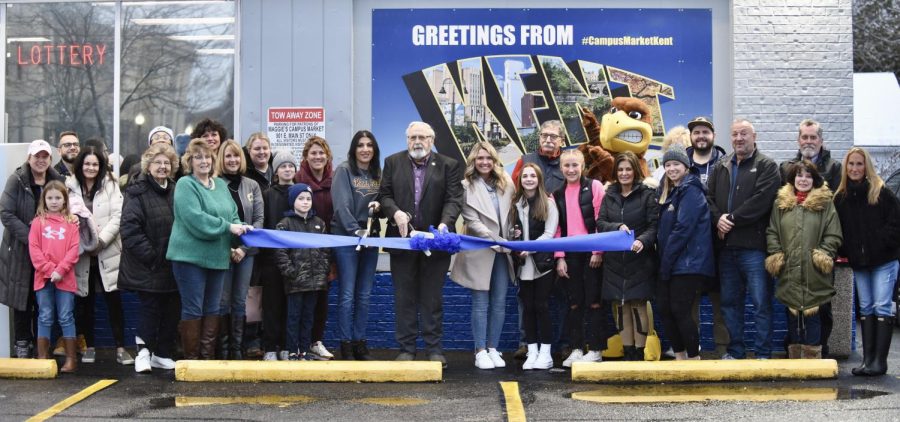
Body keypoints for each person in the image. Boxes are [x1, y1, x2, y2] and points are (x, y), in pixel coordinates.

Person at [378, 121, 463, 367]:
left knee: (432, 298)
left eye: (423, 137)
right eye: (413, 137)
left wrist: (446, 224)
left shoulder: (448, 165)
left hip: (436, 244)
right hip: (402, 243)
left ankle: (434, 349)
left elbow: (454, 199)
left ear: (432, 140)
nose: (417, 141)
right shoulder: (392, 162)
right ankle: (406, 348)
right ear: (406, 140)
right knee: (404, 297)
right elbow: (384, 195)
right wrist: (395, 213)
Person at [166, 139, 251, 360]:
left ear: (213, 161)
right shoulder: (186, 185)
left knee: (213, 308)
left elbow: (232, 214)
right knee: (193, 309)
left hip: (218, 257)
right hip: (189, 258)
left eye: (207, 157)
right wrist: (229, 227)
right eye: (198, 157)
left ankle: (206, 359)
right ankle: (192, 360)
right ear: (190, 161)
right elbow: (196, 219)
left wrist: (239, 231)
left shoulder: (220, 185)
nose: (203, 161)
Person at [706, 119, 781, 360]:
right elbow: (707, 198)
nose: (739, 138)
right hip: (726, 249)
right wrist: (718, 219)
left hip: (754, 248)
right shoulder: (721, 166)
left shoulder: (767, 166)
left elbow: (762, 200)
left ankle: (762, 353)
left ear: (754, 136)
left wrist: (731, 219)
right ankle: (735, 351)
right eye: (735, 134)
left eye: (744, 134)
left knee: (760, 303)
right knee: (729, 303)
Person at [777, 119, 843, 356]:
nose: (808, 141)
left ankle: (819, 352)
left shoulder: (835, 168)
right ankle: (794, 354)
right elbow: (777, 217)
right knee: (792, 308)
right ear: (798, 140)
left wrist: (825, 251)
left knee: (820, 309)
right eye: (804, 137)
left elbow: (836, 213)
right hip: (793, 256)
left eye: (813, 137)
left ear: (821, 141)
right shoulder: (786, 168)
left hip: (818, 254)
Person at [765, 160, 842, 359]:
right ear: (793, 178)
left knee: (813, 317)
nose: (804, 180)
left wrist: (822, 255)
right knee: (792, 317)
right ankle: (795, 360)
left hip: (813, 272)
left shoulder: (825, 203)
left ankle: (812, 361)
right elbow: (772, 231)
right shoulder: (781, 203)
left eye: (808, 176)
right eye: (800, 175)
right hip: (789, 270)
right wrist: (776, 254)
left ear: (815, 179)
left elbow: (833, 234)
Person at [833, 147, 900, 376]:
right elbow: (839, 230)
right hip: (859, 263)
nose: (855, 168)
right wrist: (846, 250)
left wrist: (879, 244)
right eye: (851, 164)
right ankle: (867, 361)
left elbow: (895, 225)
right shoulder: (840, 197)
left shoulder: (881, 192)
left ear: (867, 166)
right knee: (866, 307)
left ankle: (879, 363)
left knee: (882, 306)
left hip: (884, 260)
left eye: (859, 164)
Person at [64, 147, 133, 365]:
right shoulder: (69, 187)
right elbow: (64, 215)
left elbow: (118, 216)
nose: (91, 168)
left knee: (114, 301)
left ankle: (121, 348)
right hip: (81, 254)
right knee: (86, 303)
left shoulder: (111, 185)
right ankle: (90, 347)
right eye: (87, 164)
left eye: (95, 164)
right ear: (80, 165)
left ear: (101, 165)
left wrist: (100, 241)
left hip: (107, 251)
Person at [450, 142, 514, 369]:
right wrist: (492, 238)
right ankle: (480, 351)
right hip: (480, 249)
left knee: (499, 303)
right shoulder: (466, 186)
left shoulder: (507, 182)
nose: (484, 162)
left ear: (495, 160)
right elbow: (471, 219)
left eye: (488, 158)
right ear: (473, 162)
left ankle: (494, 348)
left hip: (503, 251)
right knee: (480, 303)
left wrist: (510, 237)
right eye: (480, 159)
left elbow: (513, 212)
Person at [0, 140, 66, 358]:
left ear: (50, 159)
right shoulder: (17, 180)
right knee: (22, 298)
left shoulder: (58, 180)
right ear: (29, 158)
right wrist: (32, 238)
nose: (40, 160)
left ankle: (41, 345)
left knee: (44, 299)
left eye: (44, 156)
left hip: (50, 252)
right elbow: (6, 213)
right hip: (21, 250)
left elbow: (66, 211)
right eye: (36, 156)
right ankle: (22, 342)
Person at [119, 144, 180, 373]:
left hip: (173, 262)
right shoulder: (137, 191)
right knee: (150, 308)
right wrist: (152, 257)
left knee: (172, 308)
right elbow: (130, 229)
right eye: (158, 162)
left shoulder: (177, 189)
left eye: (166, 163)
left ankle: (162, 353)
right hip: (149, 265)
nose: (162, 167)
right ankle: (143, 352)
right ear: (148, 165)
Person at [510, 120, 567, 360]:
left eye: (553, 136)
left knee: (563, 297)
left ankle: (563, 344)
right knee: (528, 300)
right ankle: (526, 342)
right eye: (544, 135)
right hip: (529, 244)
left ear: (562, 141)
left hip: (563, 239)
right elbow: (513, 193)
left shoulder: (568, 162)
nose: (548, 140)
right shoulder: (525, 160)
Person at [597, 151, 659, 361]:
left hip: (640, 260)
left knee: (638, 305)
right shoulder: (609, 196)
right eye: (620, 169)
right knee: (621, 305)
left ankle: (640, 353)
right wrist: (617, 226)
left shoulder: (647, 195)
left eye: (628, 169)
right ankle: (628, 351)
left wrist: (642, 241)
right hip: (615, 261)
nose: (624, 173)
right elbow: (601, 223)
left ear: (635, 170)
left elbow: (653, 226)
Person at [656, 144, 715, 360]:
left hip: (689, 263)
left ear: (686, 166)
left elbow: (683, 230)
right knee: (664, 309)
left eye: (676, 164)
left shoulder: (691, 190)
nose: (671, 169)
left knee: (680, 310)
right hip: (672, 263)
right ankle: (680, 356)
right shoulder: (671, 191)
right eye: (668, 165)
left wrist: (666, 263)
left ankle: (693, 358)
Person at [331, 130, 381, 360]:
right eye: (360, 145)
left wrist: (379, 208)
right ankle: (346, 343)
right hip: (347, 237)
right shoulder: (344, 170)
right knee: (348, 294)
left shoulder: (377, 173)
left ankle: (360, 341)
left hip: (370, 238)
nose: (365, 149)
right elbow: (341, 206)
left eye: (369, 145)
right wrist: (355, 230)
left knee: (364, 294)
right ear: (354, 148)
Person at [553, 149, 606, 367]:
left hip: (592, 253)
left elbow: (600, 218)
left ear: (582, 165)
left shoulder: (594, 186)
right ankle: (576, 348)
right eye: (567, 165)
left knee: (594, 302)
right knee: (574, 304)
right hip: (570, 255)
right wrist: (560, 257)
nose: (571, 169)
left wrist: (597, 251)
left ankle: (595, 350)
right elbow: (556, 229)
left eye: (575, 165)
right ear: (561, 168)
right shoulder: (555, 194)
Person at [215, 140, 264, 360]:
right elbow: (213, 219)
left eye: (236, 156)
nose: (233, 160)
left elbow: (259, 219)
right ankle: (223, 348)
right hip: (221, 250)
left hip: (247, 253)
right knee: (223, 300)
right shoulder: (214, 185)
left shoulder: (252, 185)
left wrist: (244, 248)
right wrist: (227, 249)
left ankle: (237, 348)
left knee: (239, 300)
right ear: (221, 159)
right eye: (228, 156)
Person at [685, 116, 729, 358]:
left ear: (713, 135)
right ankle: (694, 348)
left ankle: (722, 349)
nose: (701, 136)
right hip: (690, 246)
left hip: (718, 244)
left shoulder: (726, 163)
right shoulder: (680, 163)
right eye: (696, 132)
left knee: (719, 302)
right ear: (691, 137)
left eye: (705, 132)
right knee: (691, 302)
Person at [274, 183, 332, 360]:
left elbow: (325, 250)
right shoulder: (285, 224)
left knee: (309, 317)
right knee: (293, 317)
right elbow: (280, 252)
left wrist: (322, 271)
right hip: (295, 282)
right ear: (292, 201)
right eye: (301, 198)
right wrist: (291, 272)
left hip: (315, 282)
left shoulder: (319, 223)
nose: (305, 202)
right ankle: (292, 350)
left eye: (308, 198)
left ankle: (304, 350)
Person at [510, 163, 558, 370]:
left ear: (539, 179)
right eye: (525, 176)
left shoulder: (548, 203)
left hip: (542, 264)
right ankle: (533, 351)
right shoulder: (516, 203)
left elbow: (549, 234)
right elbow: (512, 230)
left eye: (532, 176)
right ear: (520, 181)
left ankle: (546, 353)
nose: (528, 179)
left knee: (542, 306)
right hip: (522, 266)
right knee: (527, 308)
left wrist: (530, 248)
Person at [28, 180, 80, 372]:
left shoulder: (71, 223)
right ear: (44, 200)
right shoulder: (37, 223)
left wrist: (61, 270)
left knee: (66, 316)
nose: (54, 201)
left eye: (58, 197)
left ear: (65, 200)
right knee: (45, 316)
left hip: (65, 279)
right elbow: (34, 250)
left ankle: (71, 359)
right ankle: (43, 357)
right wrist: (50, 270)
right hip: (43, 278)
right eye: (50, 198)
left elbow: (74, 250)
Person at [294, 136, 335, 360]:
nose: (318, 157)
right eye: (313, 153)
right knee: (300, 300)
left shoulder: (335, 179)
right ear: (306, 157)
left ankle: (315, 341)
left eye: (321, 153)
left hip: (327, 250)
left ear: (327, 156)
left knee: (321, 298)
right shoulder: (298, 180)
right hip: (302, 250)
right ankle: (297, 345)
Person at [260, 151, 298, 361]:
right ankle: (270, 348)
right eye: (283, 166)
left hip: (295, 259)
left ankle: (285, 345)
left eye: (290, 166)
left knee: (290, 305)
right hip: (271, 259)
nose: (287, 170)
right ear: (276, 170)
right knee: (271, 305)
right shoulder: (267, 194)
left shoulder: (302, 192)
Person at [241, 132, 273, 358]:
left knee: (270, 293)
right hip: (253, 245)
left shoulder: (278, 173)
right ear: (249, 152)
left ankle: (269, 337)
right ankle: (251, 339)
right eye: (256, 149)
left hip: (275, 245)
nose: (261, 152)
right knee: (252, 292)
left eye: (265, 148)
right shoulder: (246, 178)